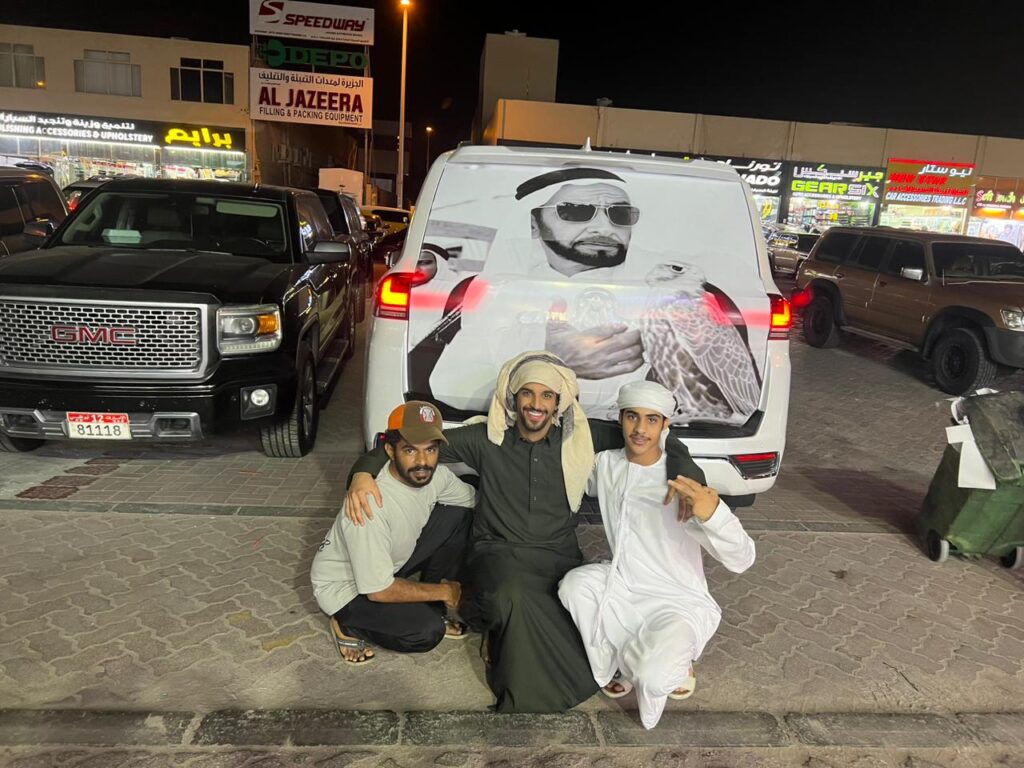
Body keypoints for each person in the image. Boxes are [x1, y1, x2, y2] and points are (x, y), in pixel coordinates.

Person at [346, 351, 705, 712]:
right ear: (514, 398)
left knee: (571, 607)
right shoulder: (487, 438)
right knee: (512, 595)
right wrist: (363, 473)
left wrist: (690, 478)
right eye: (528, 394)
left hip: (558, 555)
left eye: (547, 396)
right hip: (497, 553)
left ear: (558, 403)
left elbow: (659, 437)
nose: (537, 404)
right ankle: (516, 679)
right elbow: (416, 440)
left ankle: (512, 639)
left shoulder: (579, 436)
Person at [558, 380, 756, 729]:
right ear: (619, 419)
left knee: (652, 679)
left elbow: (743, 559)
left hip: (676, 599)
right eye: (632, 417)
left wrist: (715, 514)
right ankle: (624, 657)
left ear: (666, 425)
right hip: (624, 586)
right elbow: (573, 464)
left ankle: (669, 661)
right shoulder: (605, 465)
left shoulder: (683, 484)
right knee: (574, 586)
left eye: (652, 420)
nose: (640, 429)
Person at [419, 169, 648, 416]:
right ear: (534, 224)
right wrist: (549, 359)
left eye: (620, 214)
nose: (604, 227)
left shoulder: (657, 292)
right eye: (575, 211)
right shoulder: (500, 291)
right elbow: (450, 386)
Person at [310, 401, 476, 664]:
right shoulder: (369, 504)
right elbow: (378, 591)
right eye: (410, 450)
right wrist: (448, 591)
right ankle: (347, 625)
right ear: (390, 450)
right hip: (347, 588)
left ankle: (430, 604)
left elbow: (472, 500)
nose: (422, 462)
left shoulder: (438, 477)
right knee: (426, 632)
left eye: (430, 450)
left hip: (387, 564)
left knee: (461, 514)